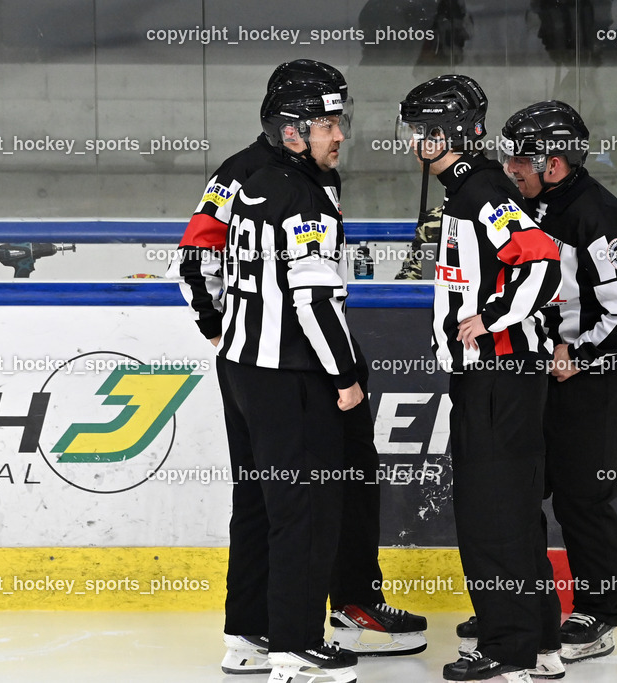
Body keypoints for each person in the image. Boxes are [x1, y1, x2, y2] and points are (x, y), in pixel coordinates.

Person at [169, 60, 423, 683]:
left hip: (251, 367)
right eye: (329, 122)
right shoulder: (271, 181)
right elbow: (211, 264)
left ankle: (258, 631)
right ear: (292, 127)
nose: (341, 134)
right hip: (295, 369)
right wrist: (342, 373)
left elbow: (203, 262)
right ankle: (293, 641)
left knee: (274, 498)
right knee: (300, 504)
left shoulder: (280, 174)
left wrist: (226, 331)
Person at [397, 74, 564, 682]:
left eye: (422, 130)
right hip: (499, 378)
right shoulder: (468, 187)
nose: (413, 141)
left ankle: (508, 650)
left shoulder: (479, 189)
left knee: (492, 516)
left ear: (449, 133)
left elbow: (542, 259)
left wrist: (492, 318)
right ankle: (538, 644)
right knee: (510, 512)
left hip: (498, 376)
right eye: (411, 130)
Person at [500, 100, 617, 662]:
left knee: (582, 500)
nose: (510, 167)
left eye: (520, 159)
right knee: (517, 493)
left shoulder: (600, 217)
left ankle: (598, 614)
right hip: (533, 375)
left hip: (589, 382)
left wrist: (582, 353)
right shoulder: (526, 207)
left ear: (555, 162)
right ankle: (521, 606)